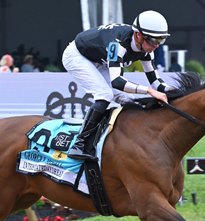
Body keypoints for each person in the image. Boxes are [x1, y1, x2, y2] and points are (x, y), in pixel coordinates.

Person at [62, 10, 170, 160]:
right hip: (77, 55)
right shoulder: (118, 45)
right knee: (104, 95)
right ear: (138, 35)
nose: (157, 46)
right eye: (153, 40)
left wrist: (177, 92)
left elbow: (156, 82)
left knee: (127, 99)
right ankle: (80, 144)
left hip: (99, 59)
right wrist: (149, 91)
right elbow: (117, 82)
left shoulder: (146, 50)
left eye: (161, 40)